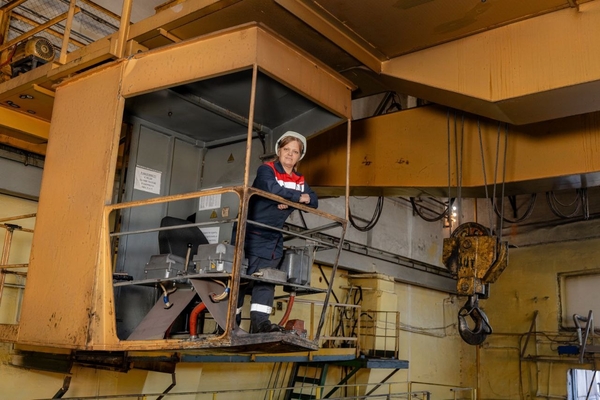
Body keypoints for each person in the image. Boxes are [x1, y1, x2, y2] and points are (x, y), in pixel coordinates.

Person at [239, 131, 318, 333]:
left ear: (300, 156)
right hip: (251, 234)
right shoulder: (267, 169)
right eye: (286, 149)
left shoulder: (299, 179)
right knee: (241, 278)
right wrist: (295, 198)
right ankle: (231, 323)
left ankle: (260, 324)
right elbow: (271, 188)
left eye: (295, 152)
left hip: (273, 238)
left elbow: (314, 200)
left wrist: (288, 200)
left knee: (267, 279)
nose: (290, 154)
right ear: (279, 151)